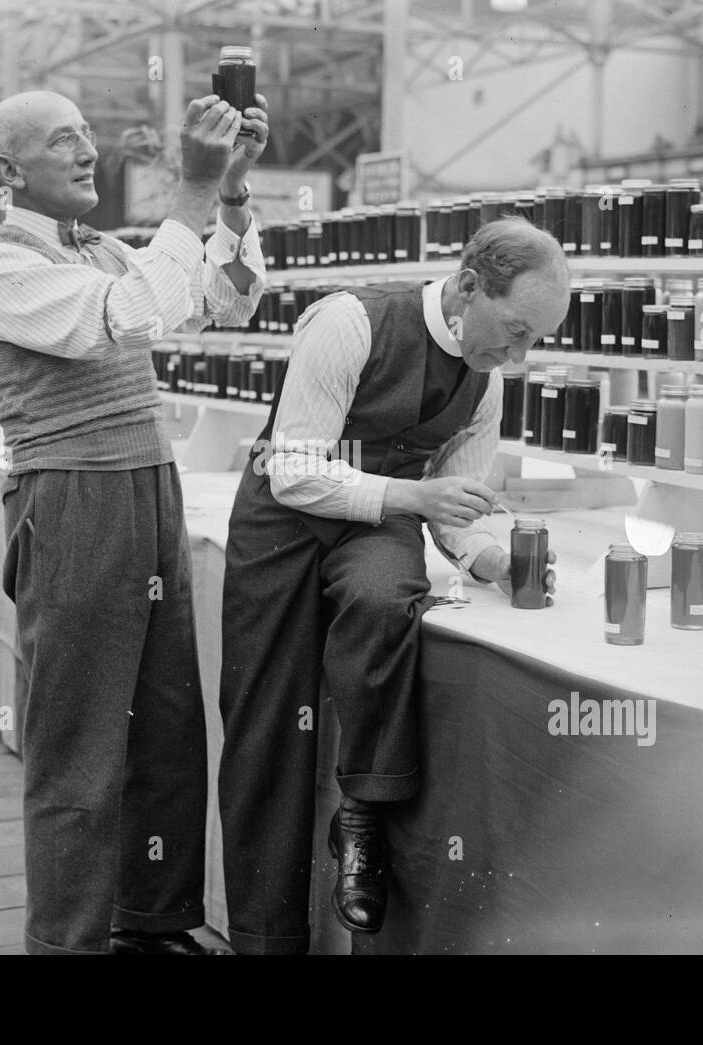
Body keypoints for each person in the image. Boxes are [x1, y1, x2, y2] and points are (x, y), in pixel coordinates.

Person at [0, 88, 268, 955]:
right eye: (64, 141)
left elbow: (229, 299)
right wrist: (193, 193)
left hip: (148, 486)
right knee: (80, 743)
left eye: (89, 134)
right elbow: (123, 317)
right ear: (10, 171)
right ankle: (68, 943)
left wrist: (232, 192)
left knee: (166, 725)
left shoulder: (103, 250)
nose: (88, 151)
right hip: (73, 502)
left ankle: (155, 922)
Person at [218, 216, 567, 955]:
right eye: (513, 330)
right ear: (469, 285)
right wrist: (414, 499)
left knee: (384, 599)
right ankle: (263, 937)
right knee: (265, 725)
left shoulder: (485, 384)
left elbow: (457, 501)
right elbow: (297, 471)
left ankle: (363, 816)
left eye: (534, 339)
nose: (518, 354)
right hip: (282, 521)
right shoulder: (350, 322)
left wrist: (489, 559)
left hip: (374, 526)